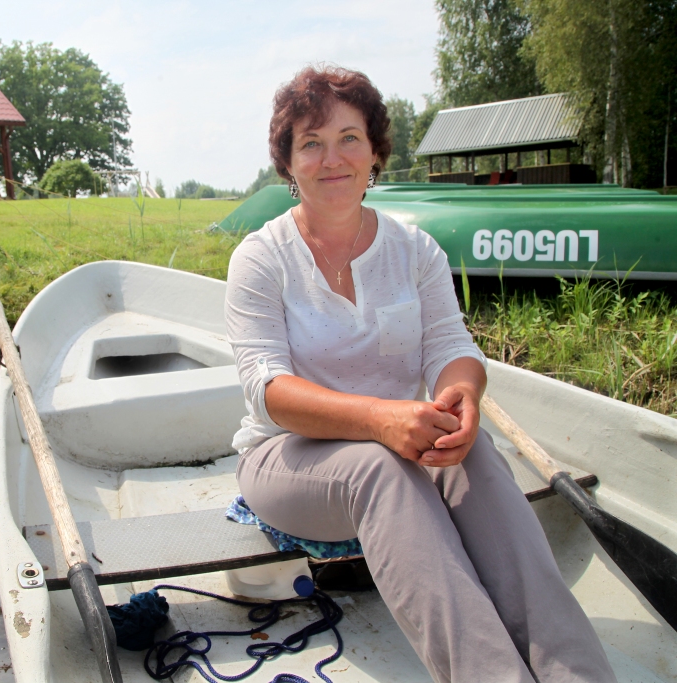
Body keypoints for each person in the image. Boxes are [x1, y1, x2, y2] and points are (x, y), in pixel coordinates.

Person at [224, 66, 616, 683]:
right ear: (289, 164)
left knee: (473, 451)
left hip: (404, 442)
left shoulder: (414, 251)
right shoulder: (261, 258)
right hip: (289, 458)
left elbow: (450, 346)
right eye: (311, 143)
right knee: (378, 468)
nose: (333, 158)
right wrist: (379, 420)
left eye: (349, 138)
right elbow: (267, 389)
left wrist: (461, 396)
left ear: (375, 152)